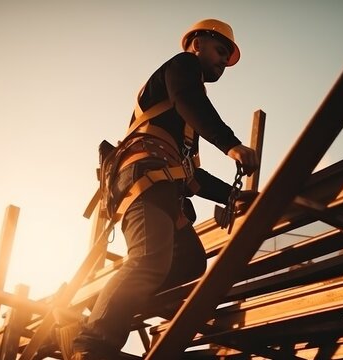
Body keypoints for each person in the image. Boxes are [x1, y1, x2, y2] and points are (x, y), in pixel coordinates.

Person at [68, 18, 259, 360]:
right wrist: (230, 144)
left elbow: (191, 177)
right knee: (149, 259)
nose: (222, 62)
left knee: (190, 262)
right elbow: (190, 99)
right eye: (220, 51)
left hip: (165, 186)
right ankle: (93, 343)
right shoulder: (183, 70)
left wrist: (231, 196)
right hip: (145, 180)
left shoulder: (182, 126)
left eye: (227, 57)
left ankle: (128, 314)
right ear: (196, 44)